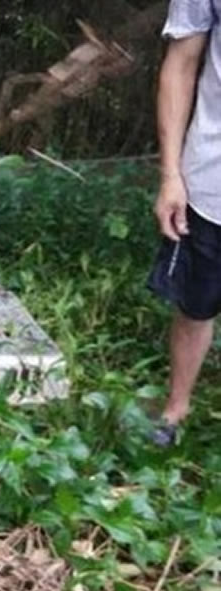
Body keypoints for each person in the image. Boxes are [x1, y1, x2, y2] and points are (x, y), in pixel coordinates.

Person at [148, 0, 221, 446]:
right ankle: (175, 412)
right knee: (195, 304)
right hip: (211, 178)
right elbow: (181, 64)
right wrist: (171, 174)